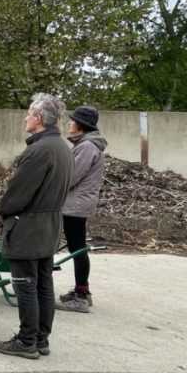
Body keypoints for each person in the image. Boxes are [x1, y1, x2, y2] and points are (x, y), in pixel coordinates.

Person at [0, 93, 72, 359]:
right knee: (43, 284)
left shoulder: (38, 151)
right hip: (49, 226)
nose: (25, 118)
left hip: (29, 228)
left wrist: (4, 212)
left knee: (25, 285)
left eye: (28, 113)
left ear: (38, 119)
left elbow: (17, 195)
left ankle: (27, 341)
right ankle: (41, 339)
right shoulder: (61, 147)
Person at [56, 106, 108, 313]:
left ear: (80, 125)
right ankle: (81, 291)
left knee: (77, 248)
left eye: (72, 121)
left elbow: (71, 176)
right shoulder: (86, 145)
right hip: (76, 203)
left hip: (75, 205)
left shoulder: (87, 147)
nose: (69, 124)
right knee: (76, 247)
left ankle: (81, 294)